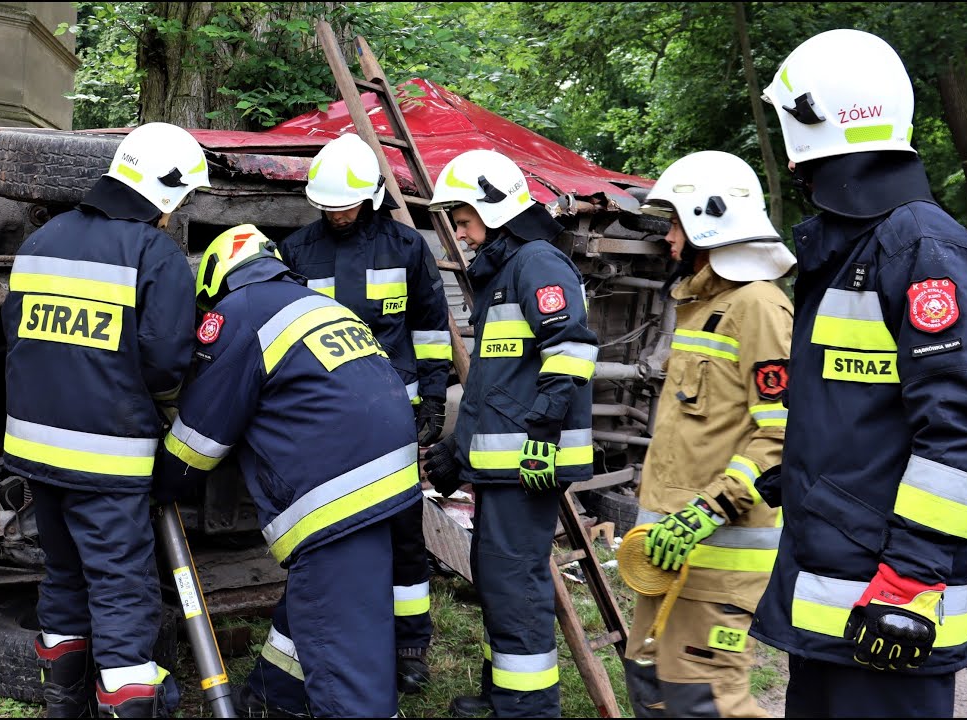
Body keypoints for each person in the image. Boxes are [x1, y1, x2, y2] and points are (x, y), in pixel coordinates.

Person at [750, 28, 967, 718]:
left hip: (890, 602)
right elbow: (857, 412)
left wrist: (908, 581)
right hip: (839, 588)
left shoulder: (920, 247)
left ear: (817, 119)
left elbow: (961, 438)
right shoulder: (854, 246)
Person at [159, 224, 420, 718]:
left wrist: (161, 482)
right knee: (316, 605)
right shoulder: (320, 305)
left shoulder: (238, 312)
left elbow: (201, 439)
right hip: (392, 480)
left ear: (216, 280)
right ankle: (272, 696)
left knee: (341, 644)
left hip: (339, 497)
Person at [1, 122, 209, 717]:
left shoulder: (42, 242)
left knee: (63, 576)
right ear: (166, 192)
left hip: (36, 451)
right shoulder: (154, 253)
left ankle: (63, 706)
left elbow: (16, 336)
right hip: (107, 460)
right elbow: (167, 362)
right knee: (121, 590)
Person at [420, 149, 598, 718]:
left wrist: (545, 433)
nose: (463, 235)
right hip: (507, 465)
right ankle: (507, 697)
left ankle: (527, 709)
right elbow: (494, 388)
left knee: (514, 584)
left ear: (493, 209)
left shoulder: (538, 264)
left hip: (530, 464)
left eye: (465, 219)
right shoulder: (505, 274)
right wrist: (455, 453)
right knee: (499, 582)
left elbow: (569, 351)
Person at [274, 132, 453, 696]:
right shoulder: (298, 250)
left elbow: (429, 326)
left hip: (391, 413)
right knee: (327, 531)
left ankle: (409, 646)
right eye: (328, 208)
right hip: (321, 419)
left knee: (403, 533)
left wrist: (433, 396)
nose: (338, 215)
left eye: (346, 205)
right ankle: (326, 641)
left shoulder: (405, 247)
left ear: (372, 196)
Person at [622, 151, 796, 717]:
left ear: (709, 220)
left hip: (720, 556)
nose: (669, 238)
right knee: (654, 686)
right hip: (672, 556)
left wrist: (707, 511)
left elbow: (779, 436)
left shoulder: (760, 307)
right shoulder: (704, 307)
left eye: (675, 222)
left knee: (707, 698)